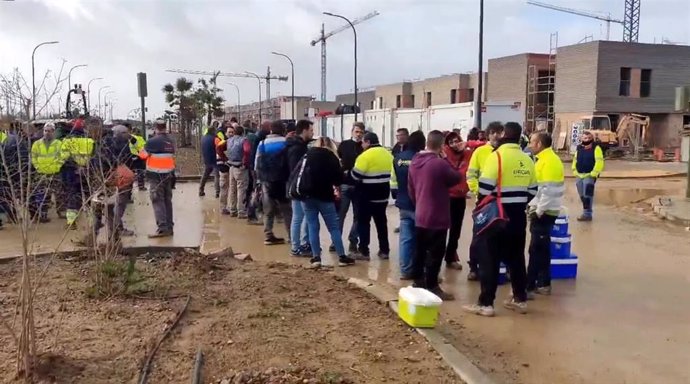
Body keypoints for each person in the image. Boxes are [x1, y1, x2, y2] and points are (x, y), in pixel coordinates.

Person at [463, 122, 537, 317]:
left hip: (497, 216)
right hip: (518, 216)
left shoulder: (496, 157)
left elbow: (485, 188)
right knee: (517, 258)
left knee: (490, 259)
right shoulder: (527, 158)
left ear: (504, 134)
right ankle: (520, 299)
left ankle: (486, 304)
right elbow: (533, 190)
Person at [408, 130, 462, 300]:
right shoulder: (439, 164)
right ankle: (432, 285)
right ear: (441, 146)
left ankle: (418, 281)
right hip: (437, 215)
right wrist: (446, 158)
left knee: (420, 251)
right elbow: (456, 177)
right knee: (436, 253)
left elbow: (411, 188)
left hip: (421, 213)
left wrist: (419, 204)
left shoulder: (415, 161)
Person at [299, 137, 356, 267]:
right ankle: (341, 256)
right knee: (333, 227)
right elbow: (338, 180)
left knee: (312, 226)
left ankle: (316, 258)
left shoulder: (307, 155)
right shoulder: (332, 157)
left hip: (307, 196)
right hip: (325, 196)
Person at [526, 132, 565, 297]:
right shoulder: (546, 159)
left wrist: (538, 210)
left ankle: (531, 284)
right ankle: (542, 283)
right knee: (541, 248)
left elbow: (547, 190)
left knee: (536, 249)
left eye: (532, 142)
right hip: (545, 210)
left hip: (545, 212)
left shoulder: (548, 161)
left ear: (539, 144)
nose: (529, 145)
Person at [465, 122, 504, 280]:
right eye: (493, 132)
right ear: (488, 134)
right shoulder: (480, 152)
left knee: (501, 236)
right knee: (478, 235)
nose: (496, 135)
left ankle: (501, 268)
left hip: (502, 202)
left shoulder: (505, 152)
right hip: (483, 202)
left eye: (499, 132)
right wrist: (478, 192)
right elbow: (471, 174)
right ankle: (474, 267)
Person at [350, 131, 393, 260]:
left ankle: (364, 251)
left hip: (366, 195)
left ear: (368, 142)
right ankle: (384, 250)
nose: (362, 144)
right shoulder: (388, 154)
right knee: (381, 223)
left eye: (363, 142)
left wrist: (348, 173)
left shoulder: (365, 156)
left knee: (364, 223)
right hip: (383, 194)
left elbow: (355, 176)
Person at [391, 130, 425, 279]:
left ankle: (405, 270)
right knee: (422, 239)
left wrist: (396, 196)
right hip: (419, 204)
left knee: (405, 239)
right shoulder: (422, 160)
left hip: (403, 203)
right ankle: (419, 271)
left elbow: (394, 180)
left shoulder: (398, 158)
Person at [255, 120, 291, 245]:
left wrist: (258, 180)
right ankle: (292, 235)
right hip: (283, 180)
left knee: (268, 210)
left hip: (266, 180)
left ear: (271, 130)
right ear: (283, 130)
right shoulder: (286, 143)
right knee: (286, 209)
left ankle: (268, 235)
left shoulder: (262, 143)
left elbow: (257, 163)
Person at [139, 120, 176, 238]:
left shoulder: (152, 141)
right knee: (167, 200)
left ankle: (162, 228)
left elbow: (142, 155)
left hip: (156, 176)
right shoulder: (171, 141)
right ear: (165, 127)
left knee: (157, 201)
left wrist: (141, 147)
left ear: (156, 128)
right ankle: (169, 227)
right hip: (169, 175)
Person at [441, 132, 472, 271]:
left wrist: (468, 144)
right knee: (441, 230)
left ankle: (450, 257)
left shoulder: (467, 154)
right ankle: (435, 260)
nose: (455, 144)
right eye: (451, 142)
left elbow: (486, 145)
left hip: (460, 197)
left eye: (457, 141)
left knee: (456, 231)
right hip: (446, 197)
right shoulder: (444, 154)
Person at [60, 118, 95, 229]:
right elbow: (94, 159)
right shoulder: (90, 141)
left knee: (72, 196)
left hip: (71, 173)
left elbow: (63, 158)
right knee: (88, 196)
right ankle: (92, 222)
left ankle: (71, 222)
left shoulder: (67, 141)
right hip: (86, 173)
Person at [335, 123, 365, 254]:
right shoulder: (344, 145)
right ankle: (335, 241)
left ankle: (353, 241)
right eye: (357, 131)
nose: (358, 134)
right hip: (345, 184)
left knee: (358, 216)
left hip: (360, 186)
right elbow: (337, 161)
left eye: (361, 132)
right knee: (340, 214)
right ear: (352, 131)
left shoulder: (365, 147)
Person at [286, 120, 314, 257]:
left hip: (295, 186)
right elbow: (296, 169)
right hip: (298, 186)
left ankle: (299, 245)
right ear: (304, 130)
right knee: (301, 217)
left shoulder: (296, 145)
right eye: (311, 131)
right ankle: (299, 246)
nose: (312, 133)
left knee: (299, 217)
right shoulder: (298, 148)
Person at [30, 122, 64, 223]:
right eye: (45, 131)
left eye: (49, 131)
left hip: (55, 173)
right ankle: (43, 214)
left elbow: (62, 157)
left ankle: (60, 212)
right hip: (41, 173)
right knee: (42, 195)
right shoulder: (37, 144)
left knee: (58, 194)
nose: (47, 133)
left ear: (53, 132)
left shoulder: (58, 143)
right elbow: (33, 157)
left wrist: (58, 166)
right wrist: (37, 167)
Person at [572, 130, 604, 221]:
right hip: (579, 174)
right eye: (585, 138)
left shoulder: (596, 148)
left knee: (588, 195)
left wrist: (594, 173)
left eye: (589, 138)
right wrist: (574, 170)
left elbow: (599, 161)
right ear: (581, 139)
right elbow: (575, 160)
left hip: (590, 175)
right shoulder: (579, 148)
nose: (587, 140)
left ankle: (587, 214)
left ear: (592, 139)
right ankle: (586, 209)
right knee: (582, 194)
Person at [245, 121, 271, 225]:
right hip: (257, 168)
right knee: (257, 191)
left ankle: (254, 212)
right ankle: (251, 214)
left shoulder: (258, 137)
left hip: (255, 167)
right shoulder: (261, 138)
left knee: (257, 190)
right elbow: (257, 155)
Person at [225, 124, 251, 218]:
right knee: (241, 189)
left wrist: (225, 158)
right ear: (243, 132)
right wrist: (245, 162)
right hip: (240, 167)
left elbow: (219, 148)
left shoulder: (228, 140)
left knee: (232, 189)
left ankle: (232, 209)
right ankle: (241, 211)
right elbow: (247, 150)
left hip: (231, 166)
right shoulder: (244, 140)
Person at [199, 120, 220, 197]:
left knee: (205, 175)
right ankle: (217, 192)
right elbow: (220, 148)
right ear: (213, 131)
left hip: (206, 159)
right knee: (217, 176)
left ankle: (201, 190)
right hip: (214, 159)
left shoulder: (203, 138)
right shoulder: (215, 139)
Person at [126, 124, 147, 191]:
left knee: (133, 173)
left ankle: (131, 188)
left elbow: (142, 148)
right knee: (139, 172)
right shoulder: (138, 138)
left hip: (132, 157)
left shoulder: (134, 138)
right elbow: (143, 148)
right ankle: (140, 186)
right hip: (134, 157)